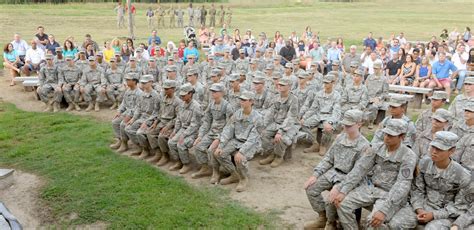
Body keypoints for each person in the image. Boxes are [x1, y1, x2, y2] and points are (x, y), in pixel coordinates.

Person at [329, 119, 418, 229]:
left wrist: (384, 210)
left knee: (373, 221)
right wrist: (344, 190)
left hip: (390, 195)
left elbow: (402, 185)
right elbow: (359, 169)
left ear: (402, 136)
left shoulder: (408, 156)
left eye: (391, 135)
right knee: (342, 204)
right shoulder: (377, 147)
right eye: (386, 133)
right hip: (372, 189)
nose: (387, 137)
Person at [304, 109, 370, 229]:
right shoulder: (340, 138)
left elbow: (357, 174)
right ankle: (322, 217)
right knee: (311, 188)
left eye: (349, 125)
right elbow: (328, 159)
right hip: (334, 173)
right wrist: (315, 174)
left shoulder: (364, 145)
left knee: (332, 198)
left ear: (359, 124)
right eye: (344, 124)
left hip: (350, 178)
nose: (345, 127)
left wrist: (340, 187)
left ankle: (331, 222)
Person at [411, 131, 470, 229]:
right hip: (422, 206)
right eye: (433, 147)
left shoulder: (462, 175)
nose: (434, 151)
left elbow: (460, 206)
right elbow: (417, 189)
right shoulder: (424, 164)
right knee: (397, 222)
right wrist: (419, 209)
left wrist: (434, 215)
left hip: (445, 214)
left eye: (440, 149)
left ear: (452, 151)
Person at [212, 90, 263, 192]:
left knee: (239, 158)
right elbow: (228, 130)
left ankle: (244, 178)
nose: (241, 102)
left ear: (251, 101)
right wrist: (221, 145)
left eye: (244, 100)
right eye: (241, 100)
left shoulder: (258, 118)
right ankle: (234, 174)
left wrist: (241, 152)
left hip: (250, 144)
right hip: (236, 141)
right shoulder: (237, 114)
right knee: (218, 153)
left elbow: (253, 139)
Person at [192, 83, 234, 179]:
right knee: (198, 146)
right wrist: (200, 135)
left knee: (211, 150)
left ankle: (216, 171)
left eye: (215, 91)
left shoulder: (227, 106)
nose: (212, 93)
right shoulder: (211, 104)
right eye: (212, 91)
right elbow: (207, 121)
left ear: (221, 93)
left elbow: (230, 126)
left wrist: (219, 138)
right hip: (212, 132)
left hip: (222, 134)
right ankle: (205, 168)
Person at [260, 78, 299, 168]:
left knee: (280, 138)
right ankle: (272, 154)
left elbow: (291, 117)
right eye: (279, 84)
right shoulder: (276, 97)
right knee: (264, 134)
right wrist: (264, 125)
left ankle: (279, 156)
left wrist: (280, 131)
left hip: (290, 125)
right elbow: (270, 113)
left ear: (289, 86)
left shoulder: (294, 99)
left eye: (282, 85)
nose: (279, 86)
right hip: (277, 122)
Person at [301, 75, 341, 155]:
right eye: (324, 83)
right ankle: (315, 143)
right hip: (318, 115)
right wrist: (304, 117)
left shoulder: (337, 95)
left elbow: (336, 112)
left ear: (333, 83)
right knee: (303, 124)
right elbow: (313, 108)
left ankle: (323, 146)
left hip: (329, 116)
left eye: (327, 83)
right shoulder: (319, 94)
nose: (325, 85)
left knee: (328, 128)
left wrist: (330, 122)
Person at [167, 83, 203, 174]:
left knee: (181, 144)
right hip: (183, 130)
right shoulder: (182, 105)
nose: (182, 96)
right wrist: (175, 132)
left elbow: (195, 125)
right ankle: (179, 162)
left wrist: (183, 135)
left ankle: (186, 164)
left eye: (184, 95)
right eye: (181, 95)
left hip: (194, 133)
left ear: (190, 94)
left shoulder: (196, 107)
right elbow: (178, 120)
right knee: (171, 142)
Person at [144, 80, 181, 165]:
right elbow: (160, 113)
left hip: (171, 125)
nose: (165, 90)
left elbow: (177, 118)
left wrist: (168, 126)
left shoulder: (177, 102)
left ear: (173, 89)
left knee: (161, 136)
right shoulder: (163, 99)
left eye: (167, 89)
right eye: (164, 89)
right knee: (150, 132)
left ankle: (165, 155)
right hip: (162, 122)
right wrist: (155, 122)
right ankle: (158, 153)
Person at [124, 75, 160, 158]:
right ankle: (141, 147)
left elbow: (156, 112)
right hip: (142, 118)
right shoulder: (142, 94)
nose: (143, 85)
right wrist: (133, 119)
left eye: (145, 83)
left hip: (151, 119)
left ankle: (146, 150)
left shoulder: (156, 96)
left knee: (139, 132)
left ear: (151, 82)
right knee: (128, 129)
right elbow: (138, 109)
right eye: (142, 83)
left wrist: (146, 122)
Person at [111, 73, 142, 152]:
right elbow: (123, 103)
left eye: (128, 80)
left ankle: (124, 143)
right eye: (126, 80)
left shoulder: (139, 93)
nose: (126, 81)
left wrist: (129, 116)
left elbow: (138, 108)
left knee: (123, 124)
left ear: (134, 81)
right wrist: (119, 111)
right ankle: (120, 140)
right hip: (127, 112)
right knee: (115, 122)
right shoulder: (128, 91)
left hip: (135, 114)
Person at [366, 60, 389, 129]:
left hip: (378, 98)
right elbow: (365, 88)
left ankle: (371, 122)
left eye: (376, 68)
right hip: (368, 97)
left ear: (380, 69)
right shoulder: (369, 77)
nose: (375, 70)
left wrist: (378, 98)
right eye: (374, 68)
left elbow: (385, 92)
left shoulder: (384, 79)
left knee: (374, 107)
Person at [452, 100, 474, 171]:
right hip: (454, 159)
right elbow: (451, 140)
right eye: (465, 110)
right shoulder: (458, 124)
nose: (466, 113)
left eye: (470, 111)